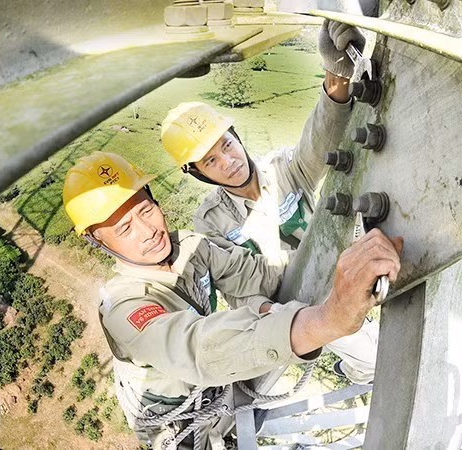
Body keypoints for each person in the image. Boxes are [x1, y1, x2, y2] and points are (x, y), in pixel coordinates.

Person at [62, 152, 403, 449]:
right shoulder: (124, 307)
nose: (148, 230)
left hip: (215, 394)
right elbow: (197, 347)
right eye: (124, 229)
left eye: (147, 210)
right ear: (97, 241)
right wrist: (326, 320)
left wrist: (338, 254)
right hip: (175, 425)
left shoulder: (191, 248)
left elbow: (261, 273)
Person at [161, 20, 379, 384]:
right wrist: (283, 327)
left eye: (226, 146)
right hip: (295, 308)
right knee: (372, 359)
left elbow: (319, 142)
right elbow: (236, 290)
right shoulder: (211, 222)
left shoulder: (281, 170)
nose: (228, 163)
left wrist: (337, 75)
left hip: (333, 270)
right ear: (199, 173)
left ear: (237, 138)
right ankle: (357, 369)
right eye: (211, 161)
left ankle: (353, 365)